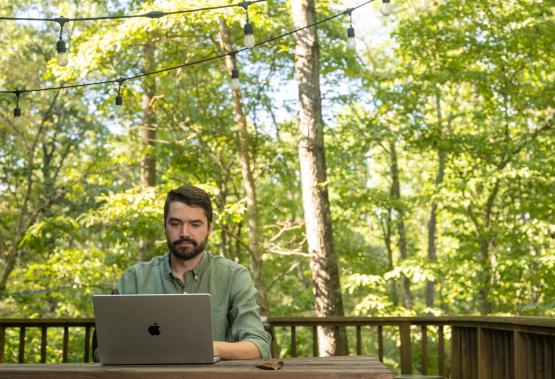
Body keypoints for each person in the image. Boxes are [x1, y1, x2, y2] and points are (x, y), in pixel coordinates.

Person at [114, 185, 271, 360]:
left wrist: (207, 348)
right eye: (175, 224)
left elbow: (258, 346)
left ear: (209, 228)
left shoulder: (233, 276)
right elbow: (105, 349)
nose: (184, 233)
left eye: (195, 224)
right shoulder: (134, 278)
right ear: (165, 226)